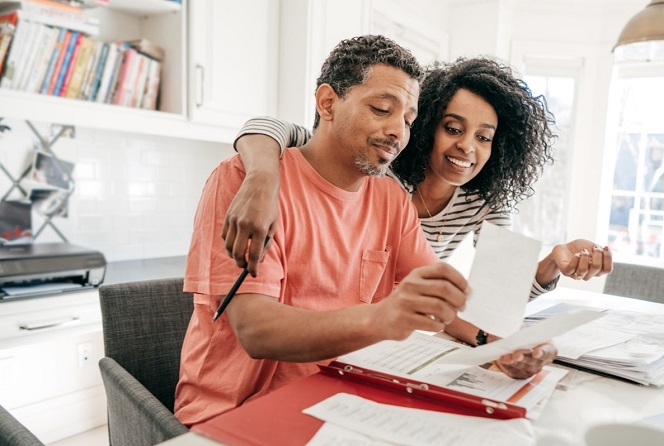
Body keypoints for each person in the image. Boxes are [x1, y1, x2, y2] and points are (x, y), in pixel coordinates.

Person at [175, 35, 554, 427]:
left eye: (408, 120)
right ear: (328, 103)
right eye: (381, 109)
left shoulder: (389, 197)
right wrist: (381, 317)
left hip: (341, 400)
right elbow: (256, 331)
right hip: (235, 415)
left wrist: (501, 345)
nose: (397, 131)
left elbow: (439, 298)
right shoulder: (243, 182)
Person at [224, 57, 613, 298]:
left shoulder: (482, 201)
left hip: (401, 334)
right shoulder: (377, 167)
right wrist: (261, 176)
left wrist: (550, 265)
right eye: (453, 128)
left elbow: (500, 296)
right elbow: (269, 126)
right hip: (348, 327)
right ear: (426, 125)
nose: (468, 148)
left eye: (484, 137)